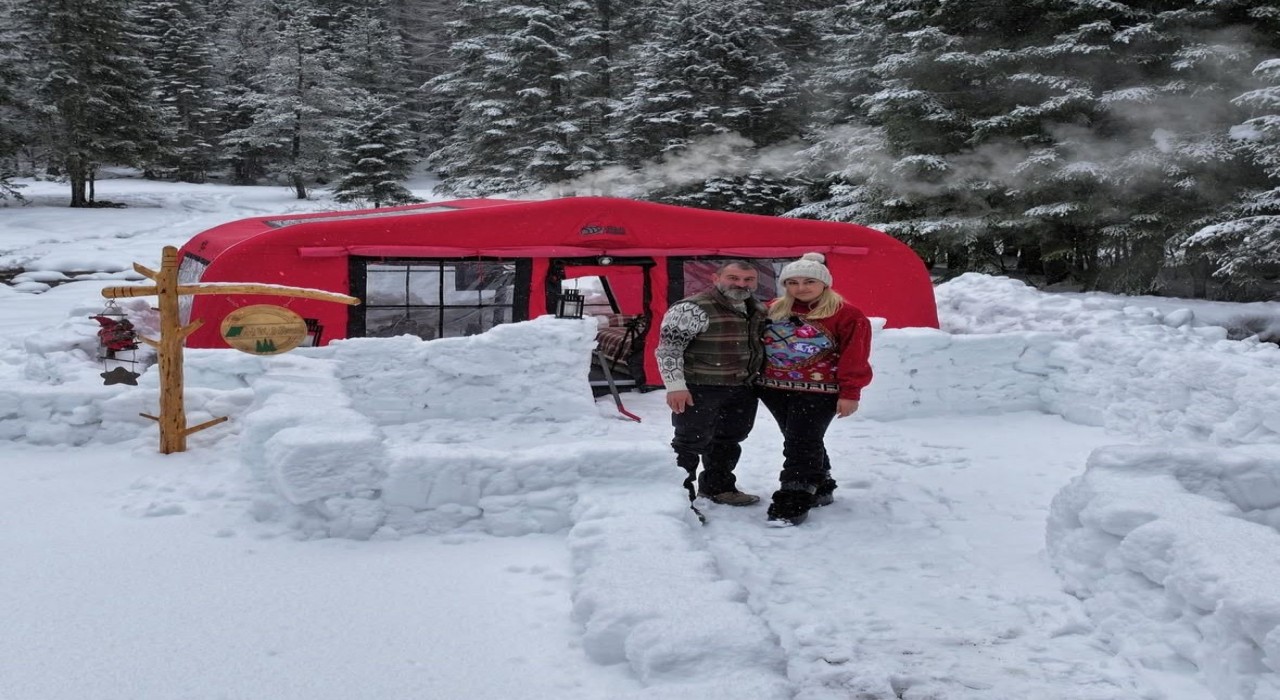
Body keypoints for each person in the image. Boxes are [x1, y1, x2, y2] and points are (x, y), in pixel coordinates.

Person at [759, 252, 873, 525]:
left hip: (820, 391)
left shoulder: (847, 315)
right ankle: (821, 485)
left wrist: (850, 392)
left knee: (800, 442)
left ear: (824, 283)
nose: (801, 288)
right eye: (793, 282)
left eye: (809, 281)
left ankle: (793, 498)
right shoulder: (773, 309)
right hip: (773, 387)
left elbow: (854, 356)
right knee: (801, 438)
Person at [655, 260, 768, 508]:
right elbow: (668, 351)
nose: (741, 284)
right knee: (689, 442)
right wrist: (675, 386)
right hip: (700, 388)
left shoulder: (756, 309)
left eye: (748, 279)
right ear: (716, 278)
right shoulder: (691, 308)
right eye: (733, 278)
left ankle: (718, 487)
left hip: (742, 387)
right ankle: (678, 499)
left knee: (729, 439)